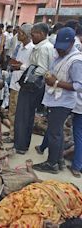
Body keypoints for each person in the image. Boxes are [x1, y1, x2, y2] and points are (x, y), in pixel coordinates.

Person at [33, 27, 82, 174]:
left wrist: (55, 82)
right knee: (57, 132)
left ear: (72, 43)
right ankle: (59, 160)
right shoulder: (62, 55)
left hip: (63, 101)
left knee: (54, 133)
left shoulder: (76, 61)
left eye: (63, 48)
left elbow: (78, 86)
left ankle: (51, 163)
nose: (59, 51)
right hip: (55, 99)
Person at [14, 23, 55, 155]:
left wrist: (26, 73)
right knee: (28, 116)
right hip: (35, 86)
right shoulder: (44, 46)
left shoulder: (43, 48)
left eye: (33, 34)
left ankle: (20, 145)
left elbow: (41, 69)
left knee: (23, 116)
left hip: (32, 86)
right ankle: (23, 144)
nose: (31, 37)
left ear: (42, 34)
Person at [7, 24, 34, 142]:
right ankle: (12, 132)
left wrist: (20, 66)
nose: (18, 35)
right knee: (12, 110)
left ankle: (15, 135)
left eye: (21, 33)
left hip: (22, 84)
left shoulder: (32, 49)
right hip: (14, 81)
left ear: (27, 35)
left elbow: (31, 67)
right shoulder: (19, 46)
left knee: (19, 112)